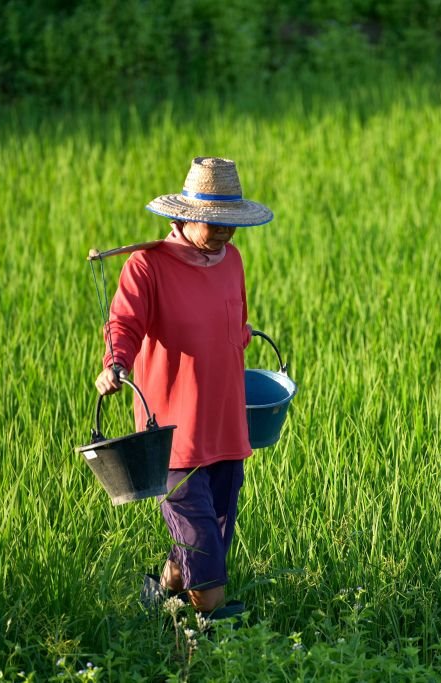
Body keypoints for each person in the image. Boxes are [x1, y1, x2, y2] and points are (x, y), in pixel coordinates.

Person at [94, 156, 273, 618]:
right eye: (215, 223)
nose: (225, 233)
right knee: (209, 568)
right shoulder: (147, 266)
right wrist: (115, 363)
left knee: (208, 540)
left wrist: (240, 334)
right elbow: (123, 324)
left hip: (228, 430)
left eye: (231, 224)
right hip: (176, 439)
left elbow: (235, 326)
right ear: (188, 215)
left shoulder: (231, 260)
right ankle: (212, 632)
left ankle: (161, 593)